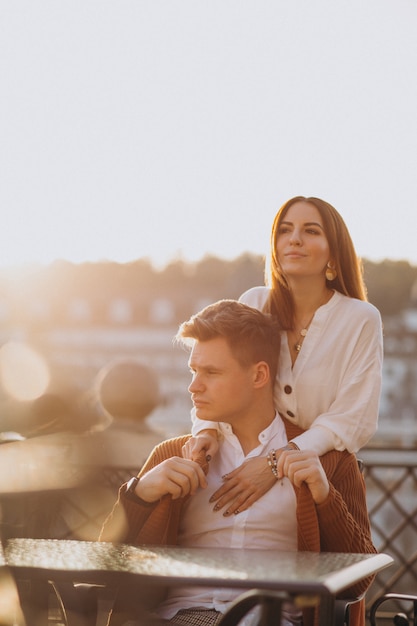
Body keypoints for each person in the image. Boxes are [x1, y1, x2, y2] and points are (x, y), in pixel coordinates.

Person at [100, 299, 377, 626]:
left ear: (259, 375)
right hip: (180, 618)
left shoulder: (328, 461)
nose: (194, 386)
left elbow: (359, 581)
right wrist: (139, 494)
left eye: (211, 373)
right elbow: (104, 565)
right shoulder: (171, 455)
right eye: (193, 371)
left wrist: (325, 497)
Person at [185, 196, 383, 517]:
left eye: (311, 231)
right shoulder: (255, 300)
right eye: (285, 230)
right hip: (241, 459)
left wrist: (276, 462)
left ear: (334, 251)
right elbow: (222, 370)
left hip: (322, 472)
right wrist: (206, 429)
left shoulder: (360, 318)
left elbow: (353, 417)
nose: (294, 239)